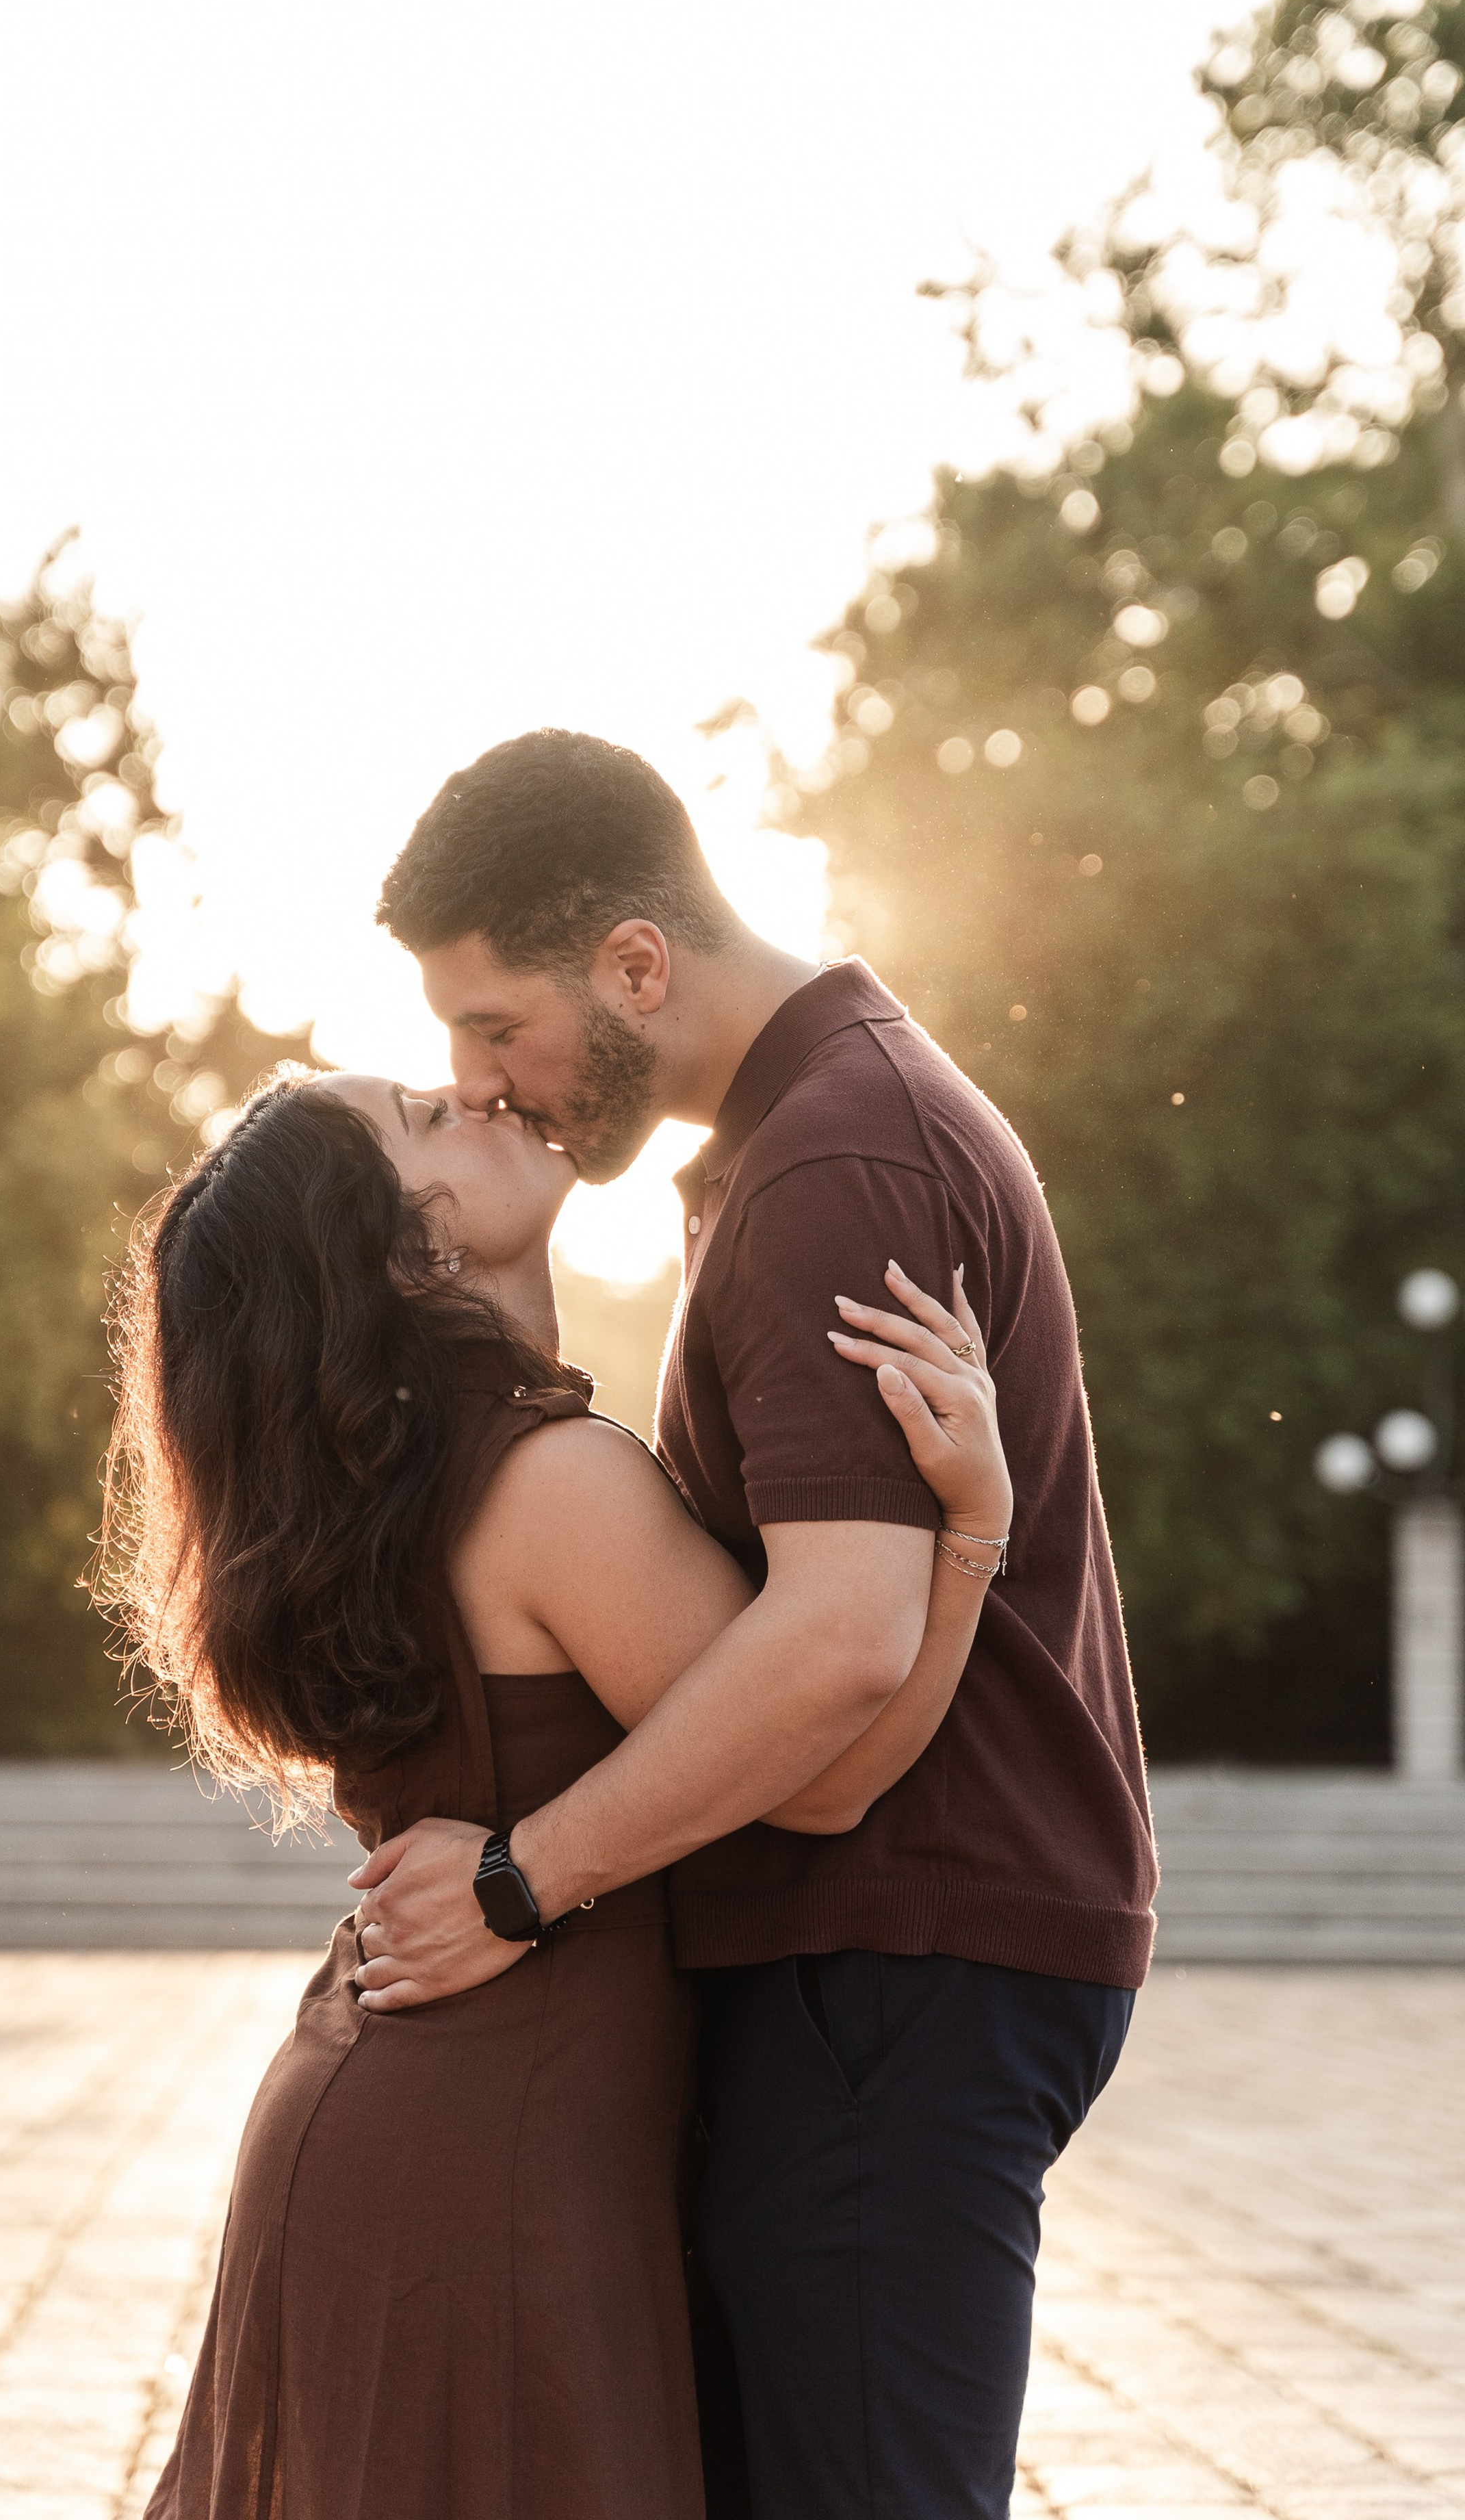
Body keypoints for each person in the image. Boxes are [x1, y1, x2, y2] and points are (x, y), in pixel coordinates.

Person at [353, 727, 1158, 2520]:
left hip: (901, 1944)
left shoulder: (829, 1169)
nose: (486, 1084)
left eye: (498, 1028)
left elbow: (835, 1646)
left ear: (637, 962)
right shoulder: (817, 1132)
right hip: (905, 1948)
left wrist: (516, 1880)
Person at [104, 1062, 1013, 2520]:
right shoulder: (550, 1483)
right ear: (418, 1249)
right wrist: (970, 1530)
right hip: (493, 2156)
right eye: (420, 1118)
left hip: (409, 2116)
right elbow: (831, 1774)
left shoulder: (425, 1487)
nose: (468, 1089)